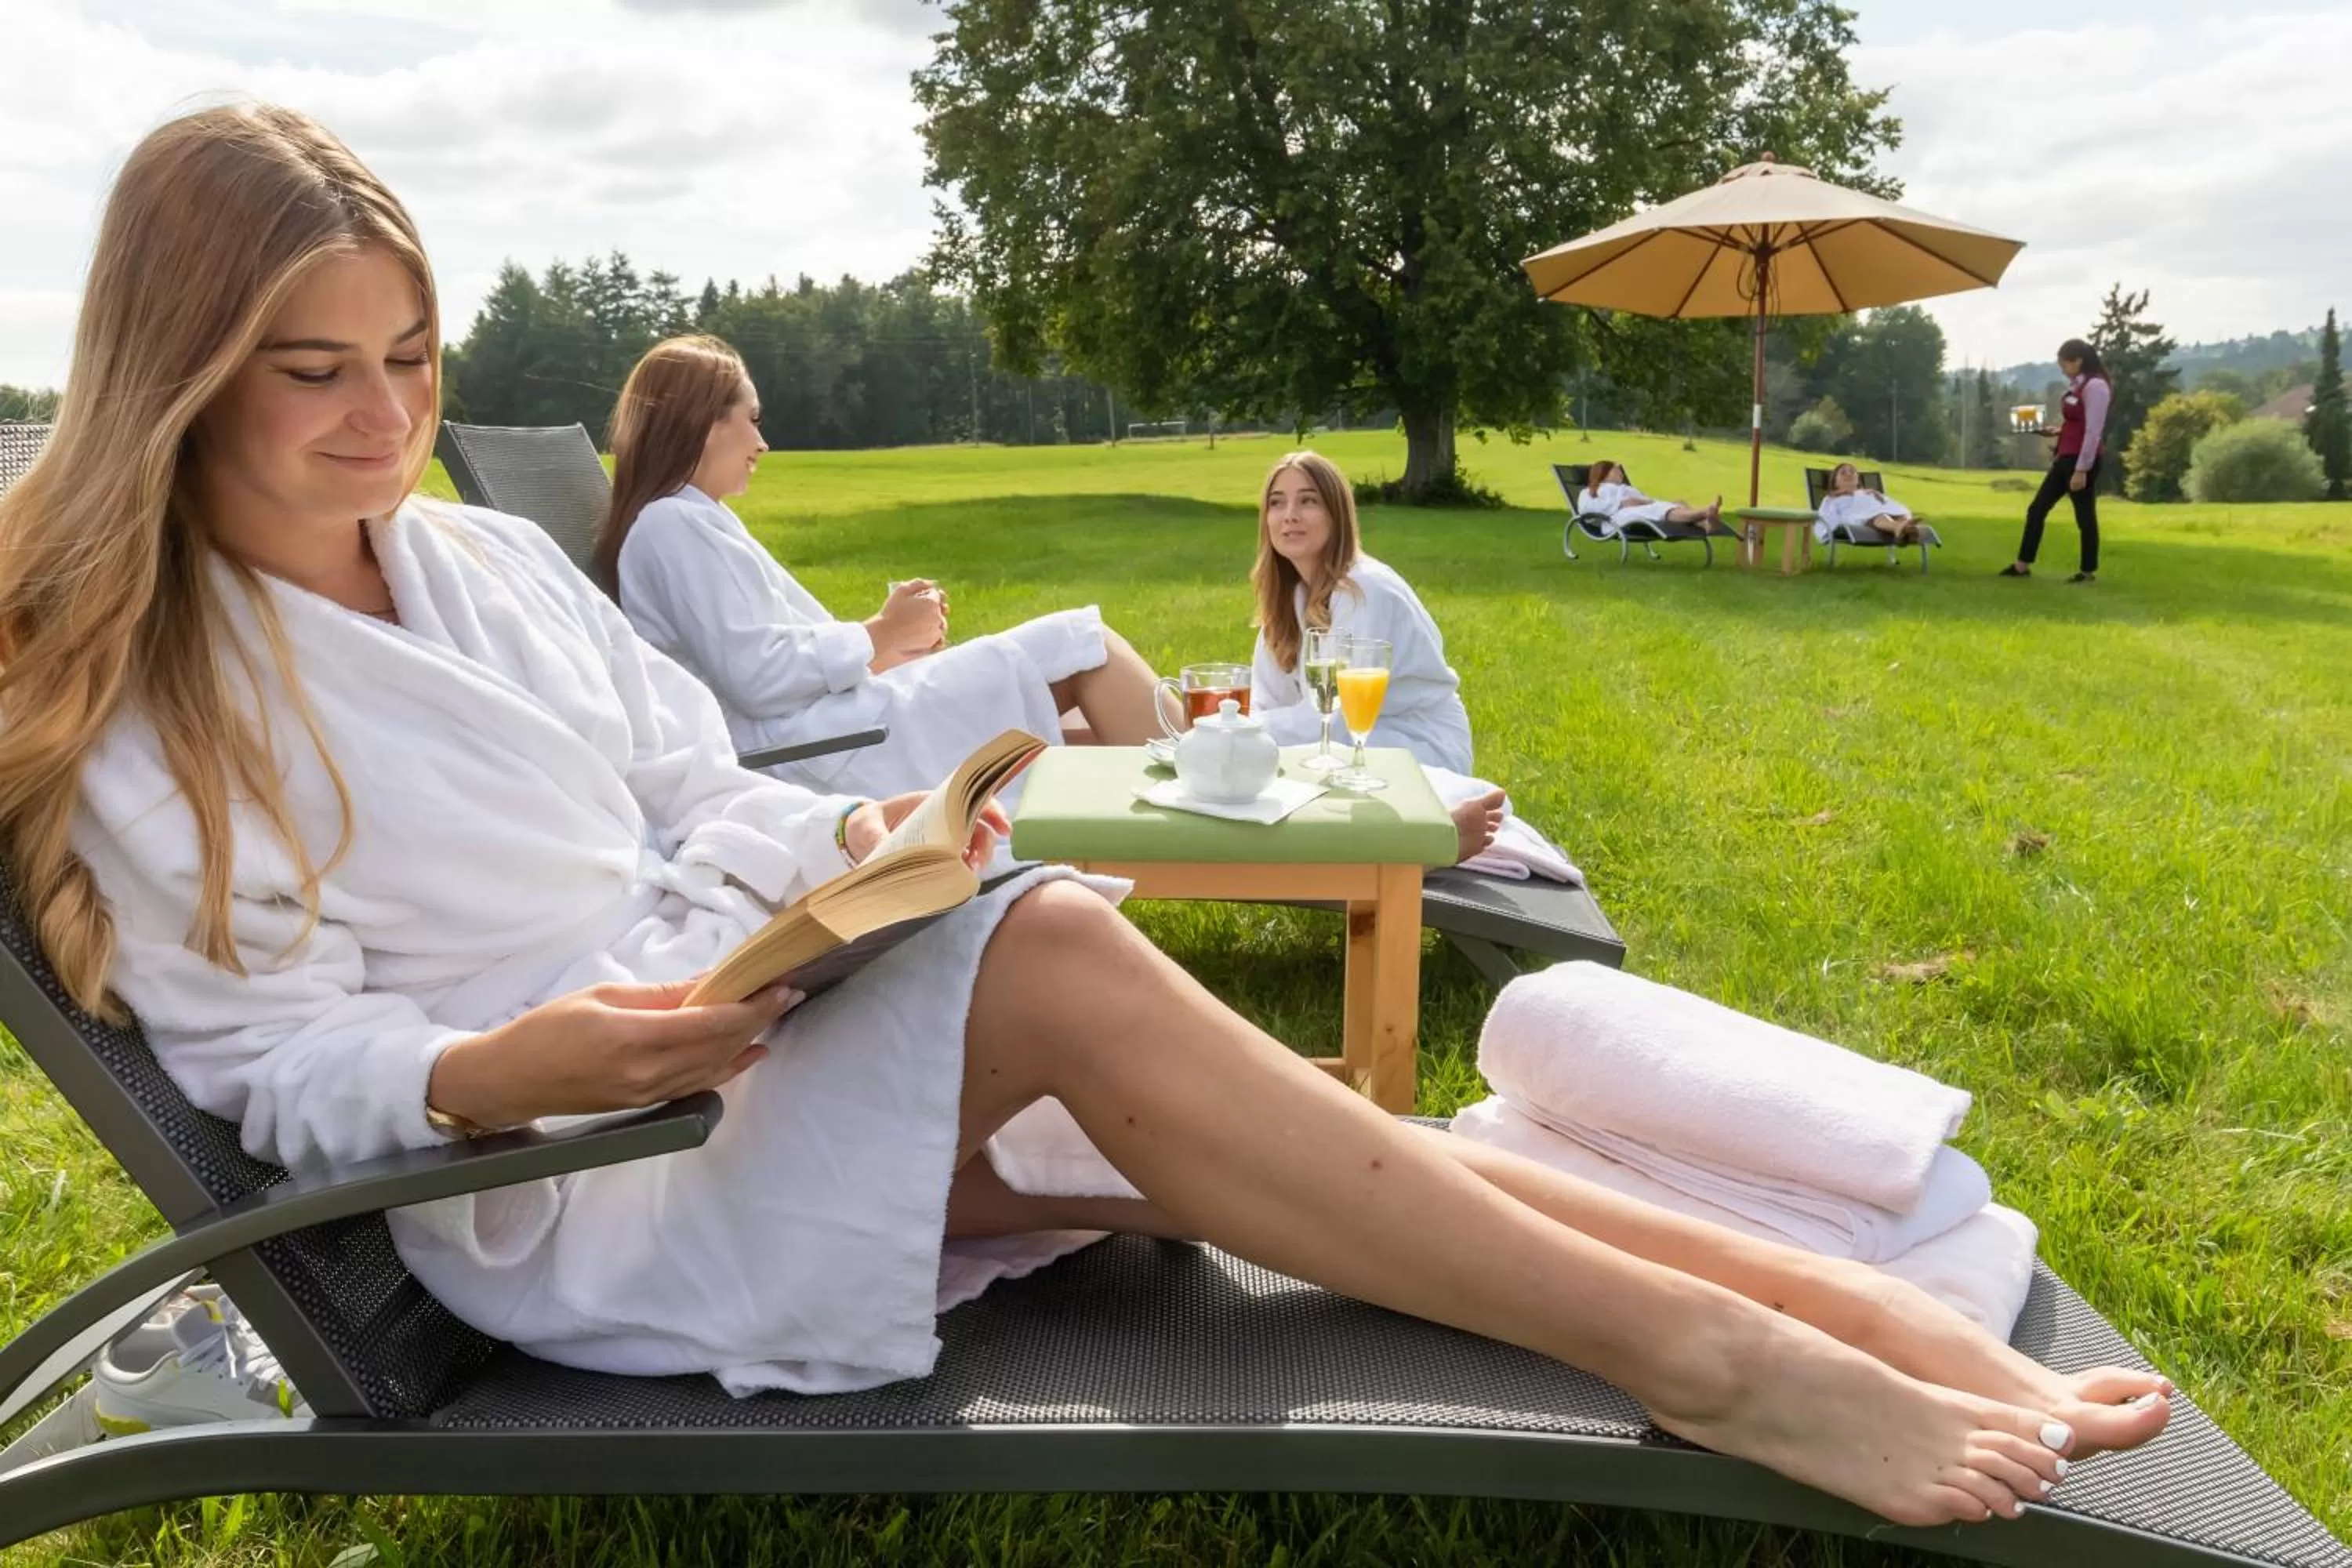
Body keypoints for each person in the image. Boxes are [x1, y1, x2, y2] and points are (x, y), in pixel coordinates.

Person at [0, 103, 2174, 1530]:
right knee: (1058, 960)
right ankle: (1728, 1357)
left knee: (1209, 1071)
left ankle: (1810, 1312)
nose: (385, 419)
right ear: (183, 362)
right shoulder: (156, 694)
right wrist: (517, 1064)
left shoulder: (469, 562)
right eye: (316, 371)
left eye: (411, 357)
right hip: (580, 1173)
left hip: (725, 1037)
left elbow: (691, 776)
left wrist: (838, 872)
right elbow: (277, 1066)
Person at [600, 335, 1167, 796]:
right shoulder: (670, 525)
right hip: (804, 755)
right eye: (752, 418)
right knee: (1084, 647)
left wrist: (893, 649)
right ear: (704, 422)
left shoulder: (692, 521)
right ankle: (1225, 813)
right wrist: (880, 633)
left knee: (1080, 732)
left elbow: (768, 659)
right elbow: (757, 679)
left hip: (828, 733)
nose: (763, 441)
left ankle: (1200, 822)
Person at [1246, 451, 1504, 862]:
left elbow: (1338, 719)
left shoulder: (1365, 591)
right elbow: (1268, 703)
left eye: (1308, 501)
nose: (1289, 514)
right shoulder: (1290, 599)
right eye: (1277, 502)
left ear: (1337, 514)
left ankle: (1435, 840)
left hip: (1412, 741)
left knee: (1303, 764)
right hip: (1343, 738)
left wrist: (1244, 732)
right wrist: (1243, 731)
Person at [2004, 340, 2108, 583]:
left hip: (2082, 461)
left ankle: (2087, 572)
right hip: (2064, 457)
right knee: (2037, 509)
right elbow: (2076, 423)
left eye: (2064, 364)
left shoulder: (2096, 388)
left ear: (2078, 361)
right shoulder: (2076, 387)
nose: (2062, 369)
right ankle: (2022, 566)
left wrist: (2082, 469)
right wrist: (2057, 431)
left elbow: (2093, 431)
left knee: (2084, 516)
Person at [1580, 460, 1723, 533]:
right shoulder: (1590, 492)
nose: (1621, 475)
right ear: (1603, 474)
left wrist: (1644, 501)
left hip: (1639, 508)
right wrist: (1622, 504)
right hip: (1618, 518)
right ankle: (1705, 512)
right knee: (1658, 509)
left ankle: (1705, 524)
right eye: (1616, 471)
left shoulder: (1624, 488)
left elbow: (1644, 499)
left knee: (1678, 502)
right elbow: (1587, 510)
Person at [1817, 462, 1924, 545]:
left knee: (1898, 513)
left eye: (1852, 471)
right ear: (1835, 482)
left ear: (1858, 480)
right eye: (1843, 472)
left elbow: (1888, 505)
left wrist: (1879, 497)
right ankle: (1900, 528)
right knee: (1881, 515)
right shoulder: (1831, 499)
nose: (1848, 474)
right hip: (1858, 517)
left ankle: (1903, 530)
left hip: (1880, 514)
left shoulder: (1868, 493)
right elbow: (1826, 516)